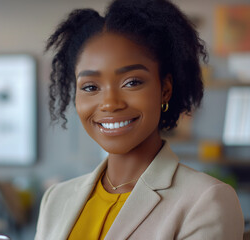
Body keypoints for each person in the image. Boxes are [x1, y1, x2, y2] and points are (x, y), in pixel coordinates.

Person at [35, 0, 244, 239]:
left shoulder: (206, 200)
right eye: (91, 86)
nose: (110, 103)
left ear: (165, 89)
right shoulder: (55, 199)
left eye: (132, 82)